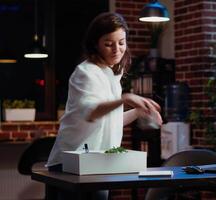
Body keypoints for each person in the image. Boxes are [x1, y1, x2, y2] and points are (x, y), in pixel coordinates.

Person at [46, 12, 162, 199]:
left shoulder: (111, 74)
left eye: (121, 42)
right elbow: (91, 113)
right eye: (109, 44)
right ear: (96, 44)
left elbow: (110, 120)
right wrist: (125, 98)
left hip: (97, 164)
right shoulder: (85, 72)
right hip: (70, 165)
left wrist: (139, 112)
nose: (117, 49)